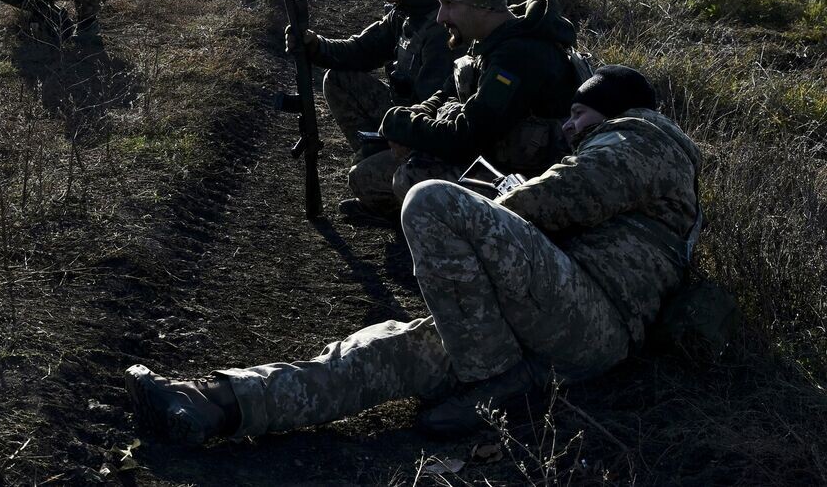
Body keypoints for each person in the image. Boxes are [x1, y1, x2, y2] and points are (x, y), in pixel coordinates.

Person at [125, 65, 701, 444]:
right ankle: (210, 405)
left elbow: (561, 197)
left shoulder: (647, 138)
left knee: (431, 201)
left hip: (589, 318)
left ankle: (495, 378)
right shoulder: (626, 146)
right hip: (546, 324)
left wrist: (503, 200)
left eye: (581, 113)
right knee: (375, 353)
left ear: (619, 107)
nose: (571, 126)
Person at [352, 0, 580, 220]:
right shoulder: (490, 37)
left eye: (448, 4)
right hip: (486, 156)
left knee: (410, 178)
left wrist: (400, 124)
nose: (440, 17)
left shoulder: (518, 56)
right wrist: (415, 117)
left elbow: (465, 138)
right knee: (365, 177)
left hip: (524, 182)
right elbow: (448, 91)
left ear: (480, 4)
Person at [285, 0, 458, 218]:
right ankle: (378, 157)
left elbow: (437, 116)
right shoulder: (403, 15)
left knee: (362, 179)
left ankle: (400, 197)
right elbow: (360, 50)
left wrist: (400, 142)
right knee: (339, 79)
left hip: (425, 134)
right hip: (402, 120)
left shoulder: (440, 32)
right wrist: (315, 45)